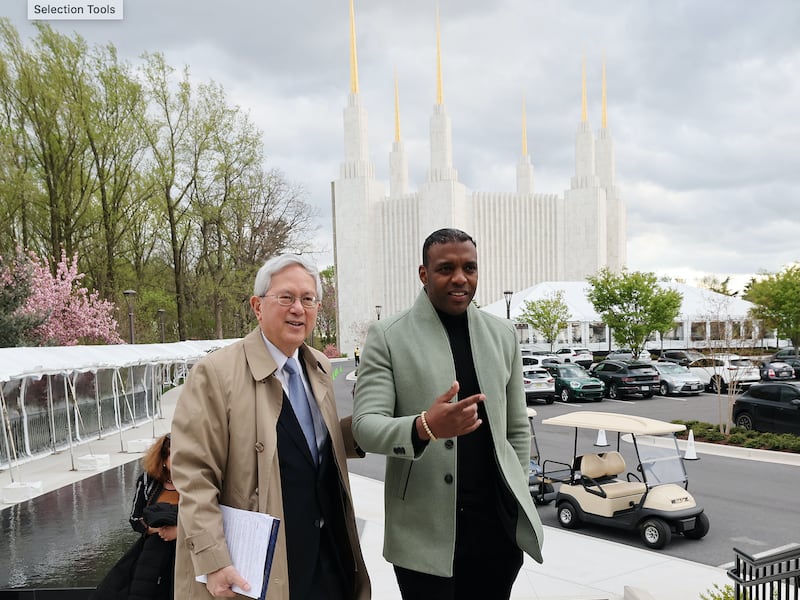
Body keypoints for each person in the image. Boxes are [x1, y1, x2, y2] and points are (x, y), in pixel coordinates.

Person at [352, 228, 543, 600]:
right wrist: (425, 426)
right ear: (424, 274)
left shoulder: (503, 334)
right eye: (446, 268)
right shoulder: (388, 335)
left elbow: (517, 428)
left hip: (497, 534)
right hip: (424, 535)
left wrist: (515, 496)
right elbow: (364, 428)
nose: (460, 278)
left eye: (469, 267)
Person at [171, 254, 370, 600]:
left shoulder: (318, 365)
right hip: (265, 568)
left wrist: (382, 422)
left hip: (328, 559)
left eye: (308, 299)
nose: (298, 308)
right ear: (257, 306)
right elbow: (193, 473)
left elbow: (320, 446)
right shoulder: (217, 373)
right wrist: (213, 559)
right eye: (286, 297)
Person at [91, 433, 178, 600]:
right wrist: (156, 529)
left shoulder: (195, 480)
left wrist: (178, 530)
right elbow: (135, 518)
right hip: (153, 550)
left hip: (184, 550)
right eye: (175, 457)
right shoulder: (148, 480)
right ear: (164, 459)